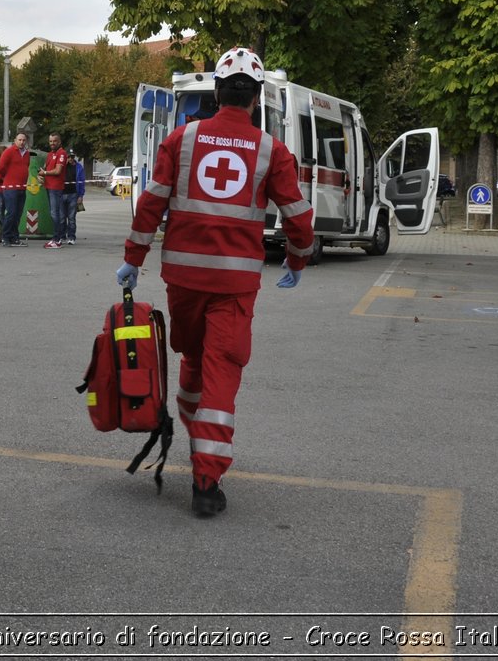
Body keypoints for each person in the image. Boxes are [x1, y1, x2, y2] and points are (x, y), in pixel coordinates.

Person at [116, 47, 315, 518]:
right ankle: (206, 480)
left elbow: (151, 205)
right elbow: (299, 218)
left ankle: (193, 419)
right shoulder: (272, 150)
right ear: (255, 98)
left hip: (183, 279)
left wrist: (133, 257)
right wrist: (297, 261)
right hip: (234, 284)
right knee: (222, 370)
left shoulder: (181, 140)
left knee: (193, 356)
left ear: (217, 91)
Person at [0, 132, 31, 245]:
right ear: (15, 140)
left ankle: (15, 237)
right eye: (20, 140)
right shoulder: (9, 151)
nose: (22, 142)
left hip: (22, 188)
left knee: (18, 214)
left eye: (24, 140)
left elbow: (26, 166)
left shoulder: (27, 154)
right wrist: (7, 178)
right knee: (11, 213)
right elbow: (1, 167)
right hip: (10, 188)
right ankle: (6, 237)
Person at [41, 132, 71, 248]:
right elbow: (45, 169)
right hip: (48, 186)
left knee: (55, 214)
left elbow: (58, 171)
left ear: (59, 142)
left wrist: (45, 173)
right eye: (50, 141)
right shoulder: (50, 154)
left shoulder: (62, 153)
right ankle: (57, 238)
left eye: (55, 141)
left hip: (56, 188)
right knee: (53, 213)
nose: (52, 143)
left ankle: (57, 239)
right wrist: (42, 174)